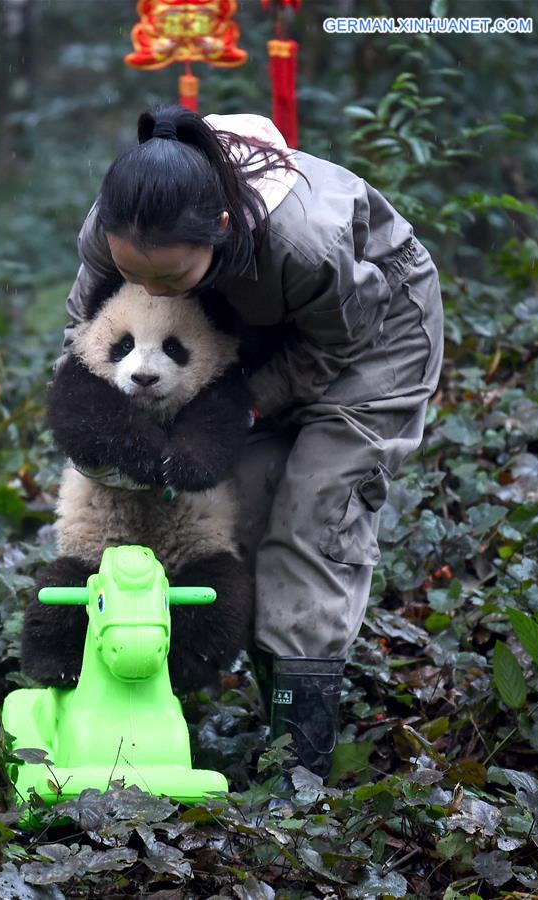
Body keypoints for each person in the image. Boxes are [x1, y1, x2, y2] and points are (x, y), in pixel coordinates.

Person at [57, 105, 444, 779]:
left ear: (223, 230)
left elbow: (336, 349)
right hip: (247, 335)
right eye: (134, 275)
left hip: (367, 340)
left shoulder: (306, 242)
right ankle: (255, 707)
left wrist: (237, 410)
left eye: (168, 281)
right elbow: (85, 334)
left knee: (315, 514)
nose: (148, 292)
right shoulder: (119, 224)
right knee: (250, 504)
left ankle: (300, 769)